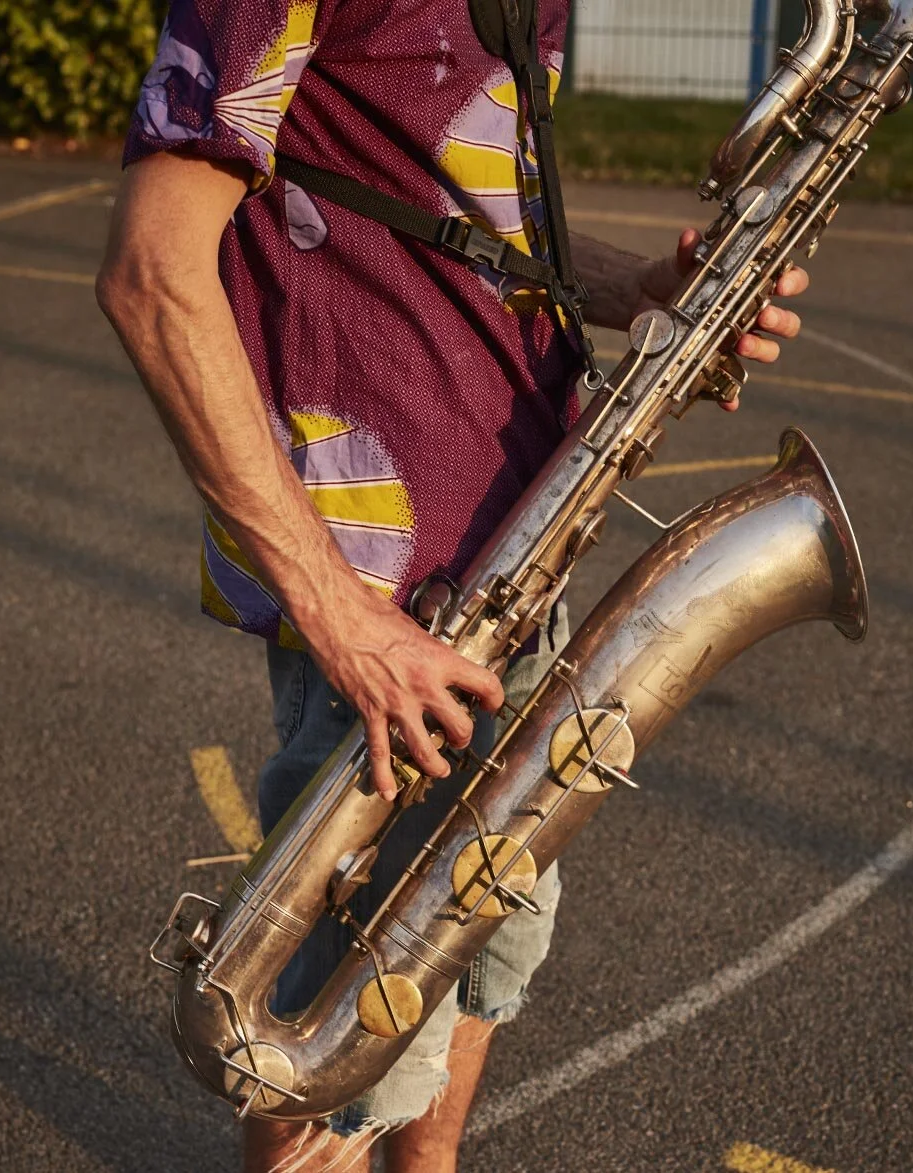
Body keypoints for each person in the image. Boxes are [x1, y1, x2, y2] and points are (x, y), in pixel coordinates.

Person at [97, 2, 808, 1170]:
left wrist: (641, 290)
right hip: (380, 591)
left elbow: (436, 201)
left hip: (526, 525)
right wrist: (341, 619)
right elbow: (149, 273)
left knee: (475, 945)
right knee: (318, 1030)